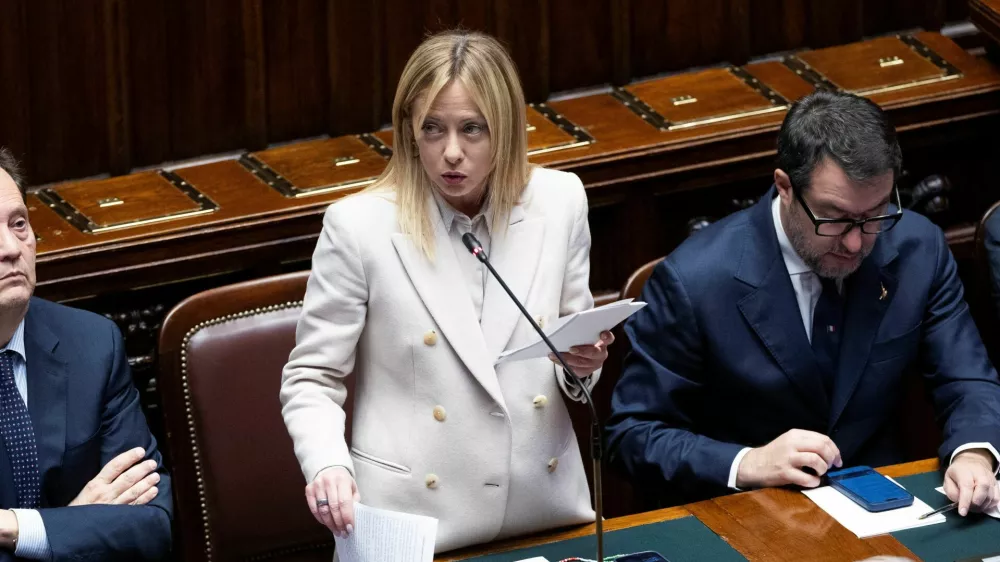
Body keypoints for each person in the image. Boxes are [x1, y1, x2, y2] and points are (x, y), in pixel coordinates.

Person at [280, 30, 612, 554]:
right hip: (414, 524)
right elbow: (312, 377)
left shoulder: (560, 200)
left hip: (542, 508)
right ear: (410, 130)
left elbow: (572, 349)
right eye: (433, 128)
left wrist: (582, 365)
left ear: (506, 128)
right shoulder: (358, 227)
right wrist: (327, 464)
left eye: (471, 129)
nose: (451, 152)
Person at [606, 91, 1000, 516]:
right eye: (835, 219)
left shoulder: (918, 248)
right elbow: (632, 434)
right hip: (749, 514)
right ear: (785, 187)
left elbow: (967, 380)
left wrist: (974, 453)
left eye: (874, 215)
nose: (855, 243)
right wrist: (747, 462)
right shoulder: (695, 280)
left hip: (886, 504)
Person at [0, 148, 172, 561]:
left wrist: (18, 528)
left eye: (18, 224)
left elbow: (153, 525)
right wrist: (73, 524)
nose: (10, 248)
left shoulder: (93, 345)